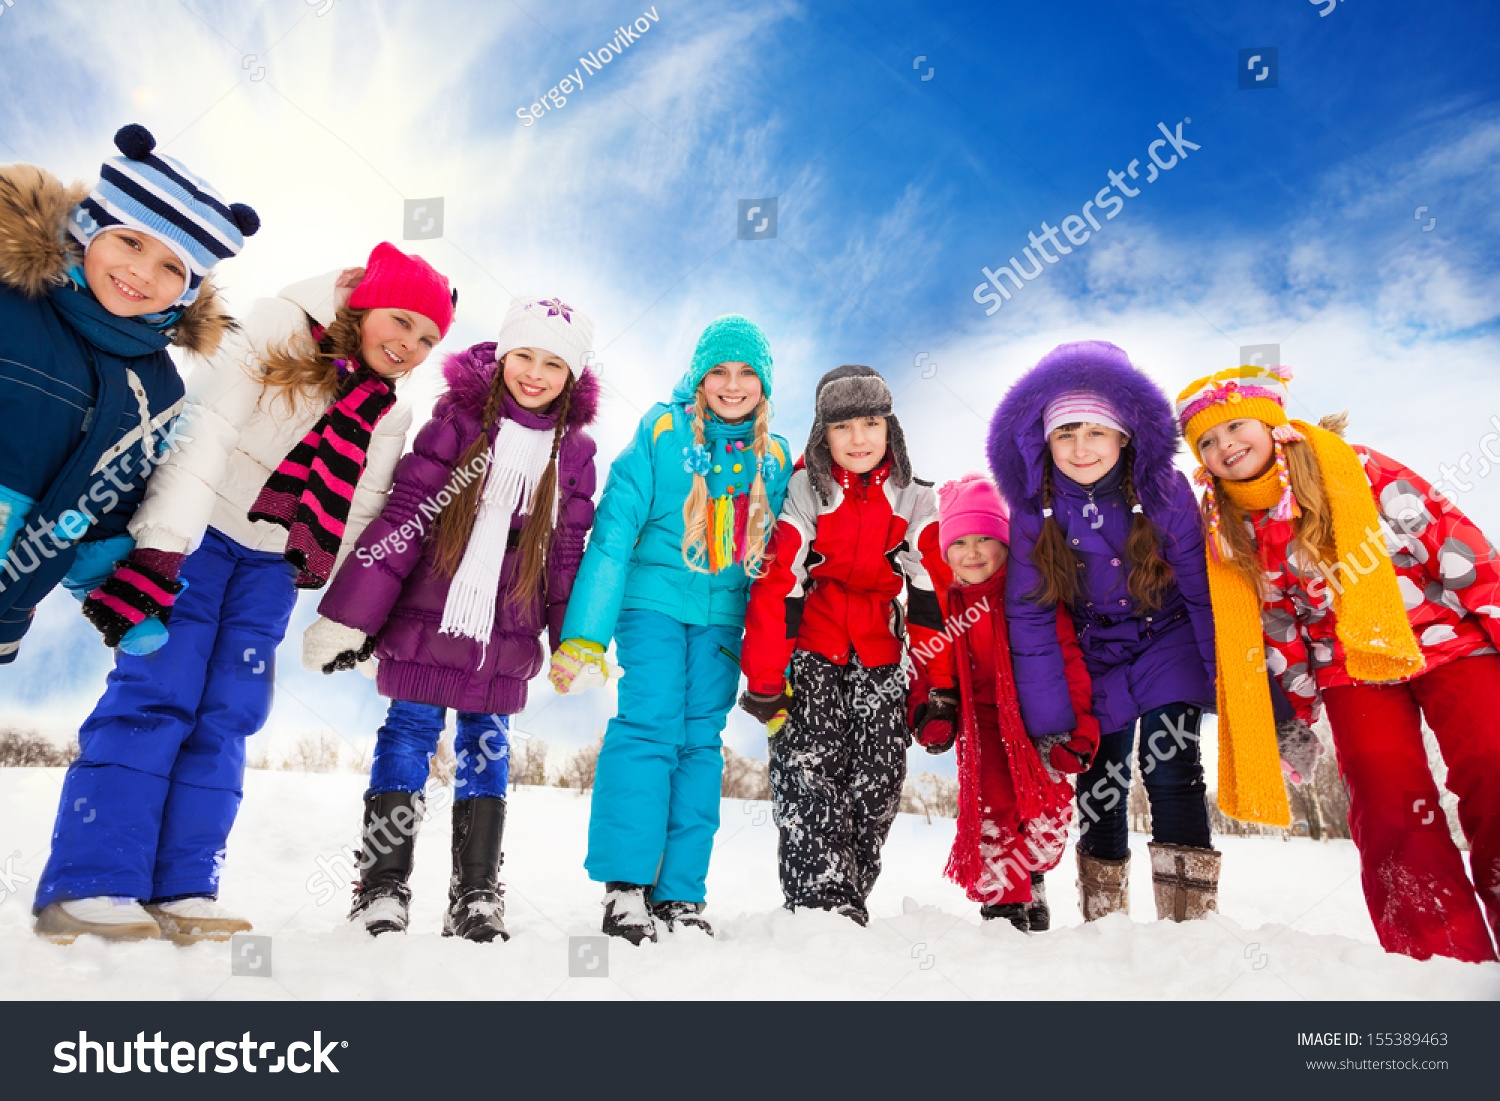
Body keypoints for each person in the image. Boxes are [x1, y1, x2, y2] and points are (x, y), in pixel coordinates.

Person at [32, 242, 453, 943]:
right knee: (158, 691)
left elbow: (358, 512)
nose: (410, 345)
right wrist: (164, 544)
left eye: (428, 338)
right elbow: (206, 432)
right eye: (402, 321)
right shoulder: (278, 329)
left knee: (229, 711)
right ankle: (94, 878)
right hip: (200, 536)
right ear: (366, 304)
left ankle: (185, 884)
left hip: (272, 567)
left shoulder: (389, 412)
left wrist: (352, 615)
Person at [1177, 364, 1500, 962]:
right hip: (1350, 669)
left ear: (1273, 424)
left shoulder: (1356, 467)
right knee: (1388, 799)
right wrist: (1293, 722)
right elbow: (1277, 627)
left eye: (1234, 428)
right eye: (1206, 442)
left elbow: (1450, 539)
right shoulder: (1227, 528)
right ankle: (1438, 956)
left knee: (1492, 763)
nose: (1224, 446)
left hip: (1449, 640)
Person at [305, 295, 599, 942]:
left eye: (553, 363)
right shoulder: (459, 421)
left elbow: (568, 553)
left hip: (508, 619)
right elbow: (407, 514)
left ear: (572, 375)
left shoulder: (573, 453)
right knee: (408, 731)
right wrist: (351, 616)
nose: (534, 372)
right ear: (501, 355)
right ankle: (382, 885)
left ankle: (476, 891)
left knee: (487, 746)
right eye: (523, 354)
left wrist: (575, 640)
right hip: (431, 603)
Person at [549, 315, 791, 943]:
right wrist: (585, 636)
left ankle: (680, 893)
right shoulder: (663, 429)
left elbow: (785, 557)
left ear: (764, 384)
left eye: (746, 374)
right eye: (719, 371)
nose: (732, 385)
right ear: (699, 375)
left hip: (721, 618)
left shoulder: (777, 455)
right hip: (652, 604)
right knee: (650, 726)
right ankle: (627, 886)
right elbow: (614, 533)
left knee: (700, 743)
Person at [0, 123, 255, 665]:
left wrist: (122, 594)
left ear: (187, 294)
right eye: (131, 242)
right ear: (89, 231)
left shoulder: (160, 387)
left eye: (171, 268)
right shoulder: (12, 301)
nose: (142, 272)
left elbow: (106, 502)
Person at [989, 341, 1220, 922]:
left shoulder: (1165, 493)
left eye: (1096, 432)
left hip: (1167, 640)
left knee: (1170, 766)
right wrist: (1053, 721)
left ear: (1124, 436)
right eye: (1065, 433)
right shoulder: (1033, 509)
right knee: (1101, 779)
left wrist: (1229, 678)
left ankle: (1187, 918)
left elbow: (1199, 589)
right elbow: (1031, 614)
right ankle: (1104, 917)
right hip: (1095, 654)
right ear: (1044, 441)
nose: (1080, 448)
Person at [739, 365, 952, 926]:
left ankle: (846, 893)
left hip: (882, 656)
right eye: (842, 427)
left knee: (878, 781)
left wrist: (938, 688)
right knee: (810, 773)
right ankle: (819, 900)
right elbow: (779, 580)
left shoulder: (914, 497)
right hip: (812, 649)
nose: (858, 439)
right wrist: (765, 678)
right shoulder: (806, 488)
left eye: (870, 423)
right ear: (822, 435)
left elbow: (930, 595)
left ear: (890, 429)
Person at [914, 473, 1099, 931]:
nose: (972, 553)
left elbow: (1068, 658)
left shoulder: (1029, 594)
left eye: (984, 540)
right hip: (984, 722)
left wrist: (1081, 725)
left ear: (1006, 543)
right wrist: (928, 711)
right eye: (959, 543)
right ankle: (1004, 906)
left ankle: (1032, 873)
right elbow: (926, 661)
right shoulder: (945, 603)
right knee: (995, 806)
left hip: (1036, 719)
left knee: (1047, 817)